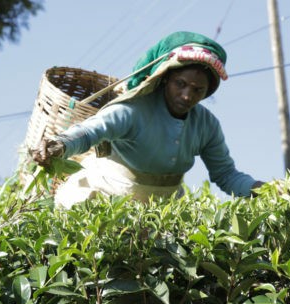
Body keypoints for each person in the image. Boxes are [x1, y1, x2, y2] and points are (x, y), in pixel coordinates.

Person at [31, 31, 264, 208]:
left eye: (198, 90)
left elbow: (225, 174)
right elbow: (91, 131)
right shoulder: (133, 110)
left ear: (207, 92)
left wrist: (260, 189)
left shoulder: (206, 125)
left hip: (163, 211)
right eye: (180, 84)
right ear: (164, 79)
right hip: (107, 201)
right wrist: (59, 145)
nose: (187, 95)